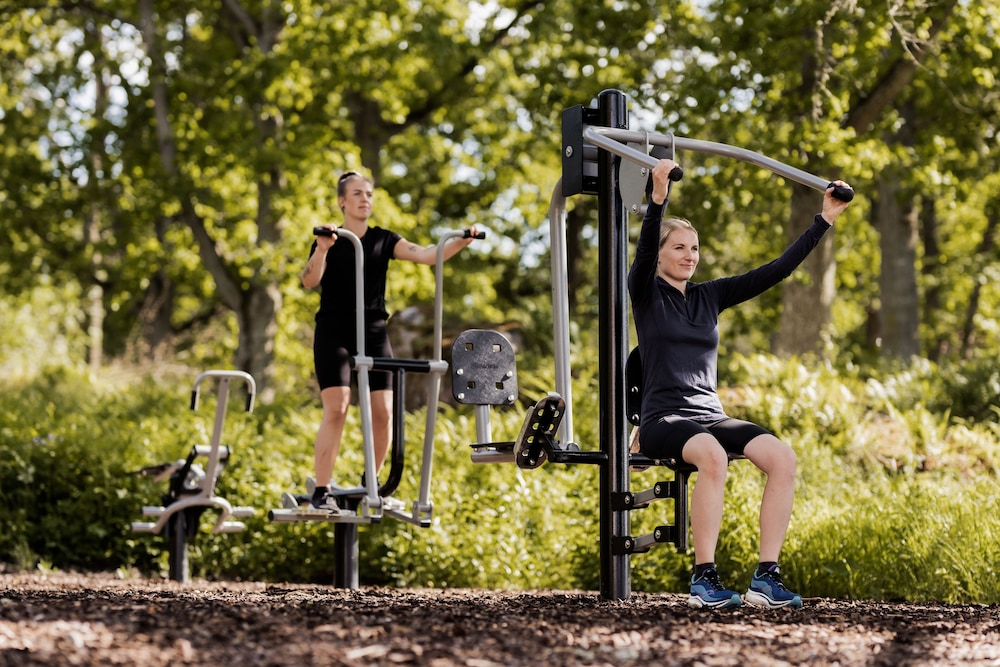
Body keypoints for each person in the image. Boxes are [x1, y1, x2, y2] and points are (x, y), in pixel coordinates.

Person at [628, 158, 852, 609]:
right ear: (661, 255)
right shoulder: (647, 293)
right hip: (663, 419)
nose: (689, 255)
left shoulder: (710, 295)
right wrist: (658, 198)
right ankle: (704, 578)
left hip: (709, 416)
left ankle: (766, 577)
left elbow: (776, 270)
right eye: (679, 247)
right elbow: (646, 247)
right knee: (712, 455)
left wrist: (824, 219)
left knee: (782, 458)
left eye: (694, 248)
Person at [301, 170, 478, 513]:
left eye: (368, 194)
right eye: (357, 194)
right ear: (342, 201)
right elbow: (309, 280)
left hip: (372, 330)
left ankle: (372, 483)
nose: (364, 199)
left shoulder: (384, 240)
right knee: (337, 407)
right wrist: (322, 249)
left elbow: (428, 255)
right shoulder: (331, 238)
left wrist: (462, 241)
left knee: (383, 413)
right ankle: (322, 489)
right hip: (334, 330)